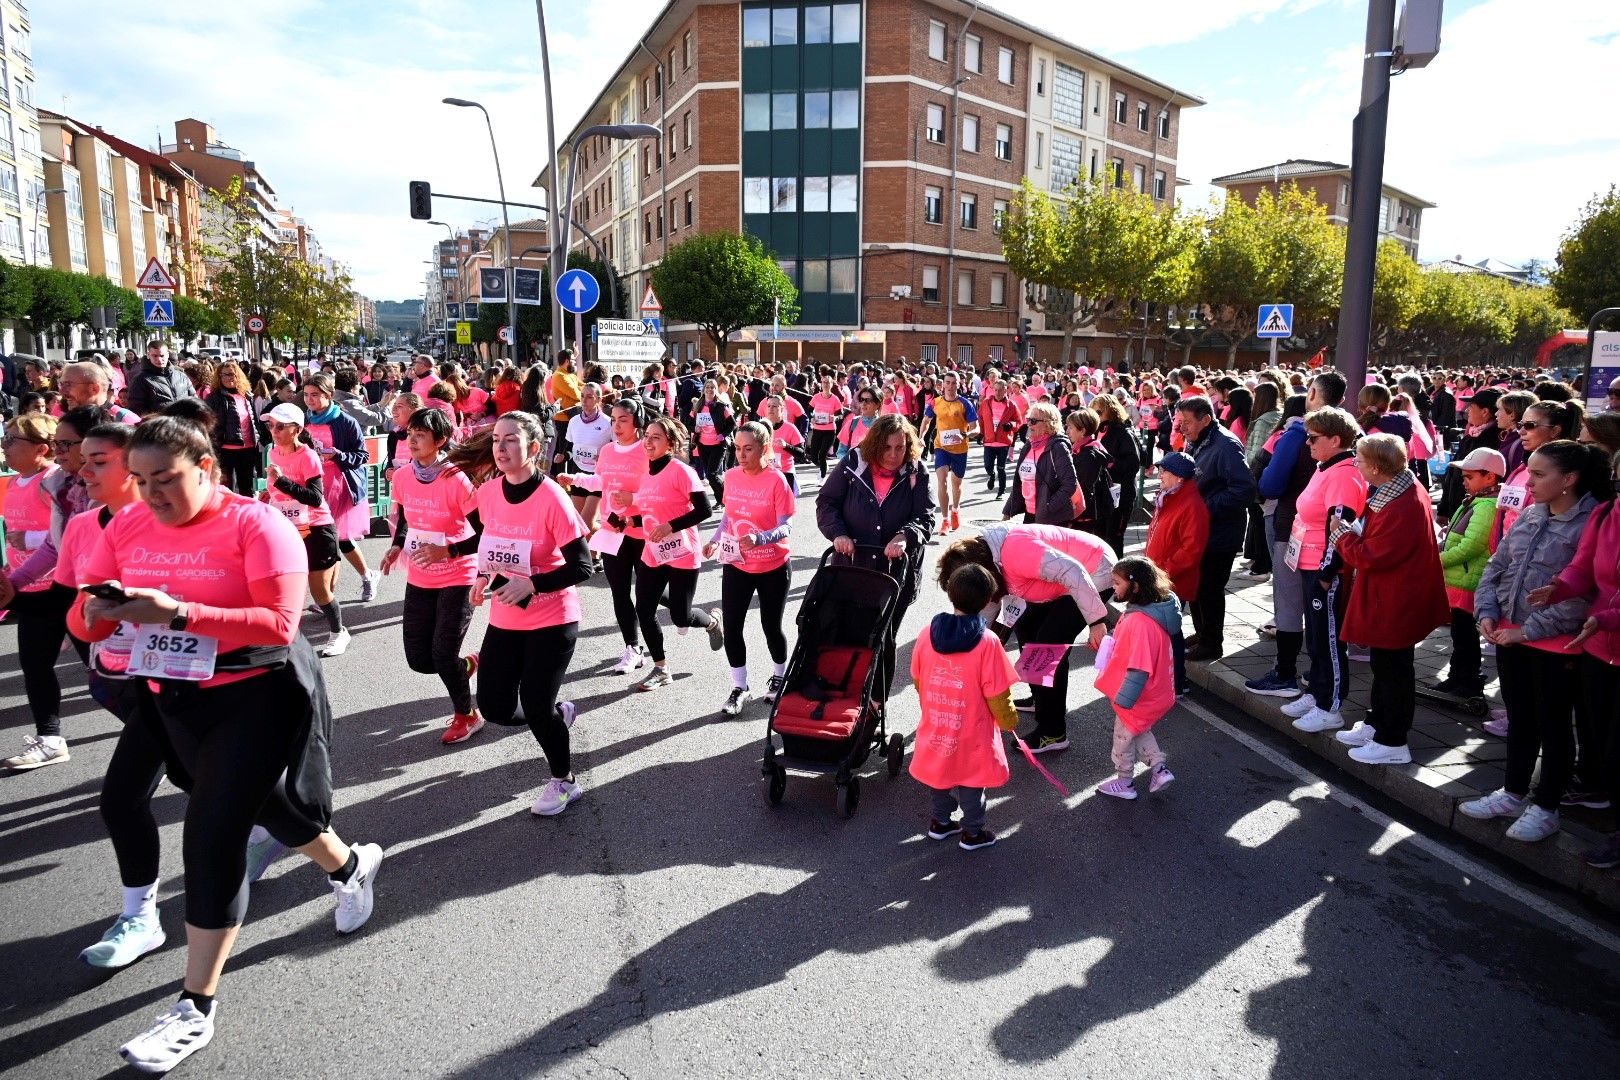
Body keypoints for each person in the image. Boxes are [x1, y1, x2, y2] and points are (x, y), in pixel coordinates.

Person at [72, 416, 382, 1074]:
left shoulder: (257, 524)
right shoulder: (125, 525)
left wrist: (177, 612)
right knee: (268, 807)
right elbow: (84, 610)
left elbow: (278, 622)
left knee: (212, 834)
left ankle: (193, 1009)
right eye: (141, 481)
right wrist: (96, 614)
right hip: (172, 696)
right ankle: (351, 869)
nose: (151, 495)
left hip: (256, 694)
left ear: (207, 469)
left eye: (167, 480)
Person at [1463, 440, 1613, 842]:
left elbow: (1581, 596)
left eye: (1539, 474)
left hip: (1554, 644)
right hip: (1508, 635)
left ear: (1569, 480)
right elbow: (1497, 566)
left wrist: (1526, 631)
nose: (1529, 481)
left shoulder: (1591, 522)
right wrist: (1488, 612)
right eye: (1529, 472)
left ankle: (1546, 806)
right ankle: (1512, 792)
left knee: (1554, 725)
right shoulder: (1531, 513)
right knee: (1521, 719)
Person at [450, 412, 592, 816]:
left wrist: (532, 583)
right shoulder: (490, 492)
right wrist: (482, 576)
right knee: (494, 706)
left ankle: (564, 781)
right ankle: (556, 716)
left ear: (534, 448)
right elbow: (490, 541)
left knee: (533, 701)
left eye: (511, 440)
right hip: (506, 617)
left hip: (553, 617)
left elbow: (583, 565)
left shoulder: (551, 497)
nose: (500, 447)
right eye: (496, 439)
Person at [936, 523, 1112, 754]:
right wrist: (970, 649)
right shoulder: (985, 562)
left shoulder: (1016, 551)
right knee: (1026, 627)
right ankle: (1039, 698)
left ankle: (1053, 731)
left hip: (1094, 571)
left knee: (1047, 647)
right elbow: (985, 610)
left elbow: (1072, 571)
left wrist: (1096, 620)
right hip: (1061, 580)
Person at [1328, 434, 1451, 763]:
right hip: (1394, 594)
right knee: (1386, 666)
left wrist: (1340, 535)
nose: (1356, 464)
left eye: (1361, 460)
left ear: (1378, 467)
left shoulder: (1401, 503)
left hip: (1398, 598)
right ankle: (1378, 722)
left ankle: (1392, 740)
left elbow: (1371, 555)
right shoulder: (1399, 489)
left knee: (1394, 669)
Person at [1532, 445, 1620, 865]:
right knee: (1601, 741)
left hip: (1604, 631)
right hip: (1599, 648)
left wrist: (1606, 618)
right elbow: (1583, 567)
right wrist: (1559, 587)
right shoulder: (1606, 515)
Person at [379, 406, 484, 743]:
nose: (412, 439)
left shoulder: (456, 478)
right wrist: (397, 545)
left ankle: (466, 715)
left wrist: (448, 551)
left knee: (442, 653)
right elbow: (407, 517)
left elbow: (484, 533)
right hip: (421, 574)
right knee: (420, 659)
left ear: (439, 440)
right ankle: (465, 666)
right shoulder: (404, 476)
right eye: (410, 433)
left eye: (420, 434)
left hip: (458, 573)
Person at [816, 414, 936, 687]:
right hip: (853, 566)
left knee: (883, 637)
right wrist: (839, 533)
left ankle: (876, 703)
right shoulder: (854, 463)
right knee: (849, 632)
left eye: (900, 447)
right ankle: (847, 693)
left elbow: (926, 517)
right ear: (875, 444)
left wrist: (905, 535)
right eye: (886, 447)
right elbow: (826, 503)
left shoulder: (917, 471)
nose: (893, 455)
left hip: (895, 574)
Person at [908, 562, 1019, 851]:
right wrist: (1008, 721)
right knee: (972, 781)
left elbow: (918, 678)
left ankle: (941, 822)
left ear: (950, 594)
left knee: (939, 772)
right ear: (986, 601)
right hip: (972, 728)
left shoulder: (926, 633)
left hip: (938, 720)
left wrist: (931, 705)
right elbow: (997, 693)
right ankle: (972, 833)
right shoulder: (988, 641)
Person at [1280, 407, 1369, 732]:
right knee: (1316, 636)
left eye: (1314, 438)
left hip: (1324, 567)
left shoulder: (1344, 473)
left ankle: (1330, 704)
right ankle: (1317, 691)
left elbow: (1340, 525)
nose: (1307, 443)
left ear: (1335, 439)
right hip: (1309, 561)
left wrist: (1327, 572)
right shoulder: (1326, 466)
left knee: (1328, 638)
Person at [620, 416, 722, 692]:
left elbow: (705, 510)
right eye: (647, 436)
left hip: (681, 551)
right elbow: (651, 513)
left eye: (656, 437)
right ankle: (661, 668)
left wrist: (670, 526)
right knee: (644, 607)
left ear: (670, 443)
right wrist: (630, 522)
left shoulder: (681, 471)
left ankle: (711, 621)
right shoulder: (647, 473)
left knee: (680, 615)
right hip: (654, 550)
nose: (649, 441)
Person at [705, 421, 798, 714]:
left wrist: (761, 537)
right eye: (737, 448)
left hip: (773, 564)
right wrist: (715, 540)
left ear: (764, 448)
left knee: (771, 626)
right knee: (732, 628)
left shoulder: (776, 480)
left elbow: (787, 526)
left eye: (748, 449)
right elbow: (728, 517)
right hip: (738, 564)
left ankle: (780, 676)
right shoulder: (731, 476)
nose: (741, 455)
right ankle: (739, 686)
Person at [1, 413, 74, 769]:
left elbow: (64, 534)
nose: (4, 445)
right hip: (29, 589)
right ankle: (50, 738)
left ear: (42, 448)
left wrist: (29, 539)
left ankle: (160, 741)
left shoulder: (53, 480)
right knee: (35, 666)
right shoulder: (13, 482)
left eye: (12, 440)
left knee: (106, 675)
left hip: (65, 587)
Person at [561, 400, 652, 674]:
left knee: (655, 596)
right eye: (613, 419)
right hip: (614, 531)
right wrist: (574, 479)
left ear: (636, 421)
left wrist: (634, 498)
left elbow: (658, 491)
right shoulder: (608, 450)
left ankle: (696, 618)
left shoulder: (646, 451)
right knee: (620, 591)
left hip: (644, 531)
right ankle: (633, 648)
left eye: (623, 419)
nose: (616, 425)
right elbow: (601, 482)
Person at [259, 403, 349, 657]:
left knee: (319, 589)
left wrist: (282, 482)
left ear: (297, 429)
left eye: (280, 426)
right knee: (286, 584)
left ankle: (338, 632)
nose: (274, 430)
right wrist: (270, 494)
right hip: (289, 528)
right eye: (271, 425)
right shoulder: (274, 453)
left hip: (316, 527)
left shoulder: (308, 456)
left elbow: (314, 497)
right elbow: (280, 491)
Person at [1177, 395, 1256, 662]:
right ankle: (1202, 635)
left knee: (1210, 588)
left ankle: (1212, 643)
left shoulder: (1225, 445)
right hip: (1200, 530)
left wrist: (1202, 507)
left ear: (1206, 419)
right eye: (1180, 422)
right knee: (1198, 586)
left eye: (1187, 422)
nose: (1182, 428)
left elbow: (1244, 490)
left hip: (1220, 532)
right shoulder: (1200, 441)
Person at [1093, 555, 1180, 799]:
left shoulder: (1140, 622)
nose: (1113, 587)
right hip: (1155, 692)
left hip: (1137, 696)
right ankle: (1159, 769)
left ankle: (1125, 783)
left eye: (1117, 583)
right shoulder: (1148, 613)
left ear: (1136, 586)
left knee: (1122, 739)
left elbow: (1139, 667)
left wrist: (1124, 701)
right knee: (1139, 729)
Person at [301, 374, 381, 603]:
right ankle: (327, 596)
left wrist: (338, 455)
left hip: (340, 485)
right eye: (306, 395)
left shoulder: (345, 422)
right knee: (325, 542)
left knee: (339, 540)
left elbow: (362, 455)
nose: (309, 400)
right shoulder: (306, 420)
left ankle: (366, 577)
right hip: (315, 486)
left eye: (315, 395)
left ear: (328, 395)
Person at [1435, 447, 1505, 698]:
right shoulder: (1474, 501)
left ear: (1490, 477)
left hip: (1467, 580)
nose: (1464, 482)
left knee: (1465, 635)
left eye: (1469, 477)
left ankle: (1466, 679)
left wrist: (1437, 559)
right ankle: (1459, 676)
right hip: (1459, 578)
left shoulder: (1486, 506)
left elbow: (1472, 546)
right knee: (1460, 633)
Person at [1142, 451, 1206, 695]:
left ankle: (1177, 681)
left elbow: (1191, 550)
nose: (1160, 475)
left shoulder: (1191, 504)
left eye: (1164, 471)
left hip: (1172, 580)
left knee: (1171, 633)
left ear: (1179, 477)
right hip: (1159, 576)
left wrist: (1162, 571)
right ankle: (1166, 679)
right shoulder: (1169, 496)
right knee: (1163, 632)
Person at [1002, 402, 1077, 525]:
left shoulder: (1058, 447)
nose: (1029, 424)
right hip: (1030, 515)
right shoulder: (1029, 445)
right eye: (1028, 420)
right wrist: (1007, 513)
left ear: (1049, 424)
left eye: (1034, 421)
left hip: (1052, 519)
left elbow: (1070, 484)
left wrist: (1048, 507)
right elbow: (1018, 484)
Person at [921, 372, 978, 534]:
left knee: (956, 484)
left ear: (958, 384)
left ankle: (955, 509)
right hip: (941, 447)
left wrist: (968, 434)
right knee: (942, 481)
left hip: (960, 449)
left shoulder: (965, 404)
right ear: (942, 385)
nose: (951, 386)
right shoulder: (936, 403)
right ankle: (945, 520)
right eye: (948, 382)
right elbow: (926, 421)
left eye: (954, 383)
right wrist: (921, 437)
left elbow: (976, 426)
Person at [1438, 388, 1502, 520]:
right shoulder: (1471, 436)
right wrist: (1444, 509)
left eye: (1471, 407)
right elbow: (1452, 472)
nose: (1466, 411)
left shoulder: (1494, 440)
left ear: (1485, 412)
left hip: (1475, 511)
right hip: (1457, 507)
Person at [1092, 393, 1142, 555]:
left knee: (1113, 539)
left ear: (1111, 411)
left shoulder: (1123, 432)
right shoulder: (1098, 430)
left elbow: (1133, 464)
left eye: (1099, 412)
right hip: (1102, 494)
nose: (1096, 416)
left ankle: (1117, 577)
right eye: (1093, 412)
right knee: (1099, 538)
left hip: (1120, 495)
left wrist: (1110, 463)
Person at [561, 382, 614, 527]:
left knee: (586, 522)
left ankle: (600, 538)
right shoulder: (573, 421)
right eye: (582, 396)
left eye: (589, 397)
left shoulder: (608, 422)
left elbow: (616, 448)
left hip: (597, 476)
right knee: (577, 523)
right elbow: (570, 449)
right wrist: (564, 456)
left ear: (599, 399)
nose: (584, 401)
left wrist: (604, 458)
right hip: (577, 472)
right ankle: (593, 548)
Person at [1063, 407, 1116, 539]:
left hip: (1084, 515)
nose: (1067, 431)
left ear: (1082, 431)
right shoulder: (1083, 449)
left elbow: (1083, 489)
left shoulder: (1088, 455)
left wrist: (1071, 517)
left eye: (1070, 427)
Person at [688, 378, 736, 505]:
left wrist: (722, 435)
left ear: (716, 390)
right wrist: (694, 428)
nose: (710, 390)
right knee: (711, 476)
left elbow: (732, 424)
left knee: (711, 475)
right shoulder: (697, 406)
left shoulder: (721, 407)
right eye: (707, 387)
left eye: (712, 387)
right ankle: (722, 500)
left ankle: (723, 500)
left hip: (718, 445)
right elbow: (689, 423)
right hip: (703, 445)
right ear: (704, 390)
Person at [978, 378, 1023, 498]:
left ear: (1005, 391)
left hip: (1003, 442)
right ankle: (991, 475)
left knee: (1001, 468)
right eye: (995, 390)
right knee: (988, 466)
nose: (997, 392)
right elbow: (980, 419)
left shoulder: (1011, 405)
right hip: (989, 441)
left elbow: (1019, 421)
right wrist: (980, 433)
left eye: (1000, 390)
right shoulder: (986, 403)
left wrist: (1011, 425)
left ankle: (1001, 492)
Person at [126, 340, 195, 416]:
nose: (159, 359)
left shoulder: (181, 375)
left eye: (162, 355)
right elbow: (137, 409)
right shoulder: (140, 380)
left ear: (168, 355)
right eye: (155, 356)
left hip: (184, 425)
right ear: (148, 355)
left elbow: (194, 400)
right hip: (159, 426)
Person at [807, 374, 846, 479]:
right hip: (817, 429)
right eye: (824, 382)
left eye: (828, 382)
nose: (826, 384)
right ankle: (824, 466)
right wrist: (812, 417)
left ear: (832, 384)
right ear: (821, 383)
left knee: (822, 454)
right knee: (814, 457)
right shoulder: (816, 397)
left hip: (829, 430)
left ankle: (822, 477)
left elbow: (841, 414)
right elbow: (809, 410)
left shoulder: (835, 399)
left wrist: (835, 418)